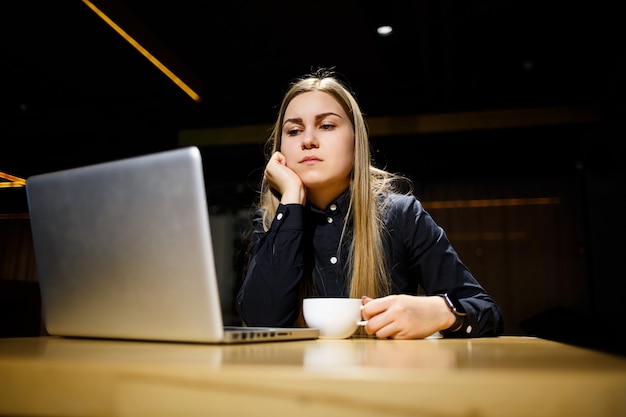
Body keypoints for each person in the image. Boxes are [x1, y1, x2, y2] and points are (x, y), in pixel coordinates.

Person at [236, 68, 504, 339]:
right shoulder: (273, 221)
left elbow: (487, 312)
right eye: (294, 130)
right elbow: (261, 321)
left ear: (356, 139)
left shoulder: (400, 215)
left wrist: (442, 312)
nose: (307, 141)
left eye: (327, 125)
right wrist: (291, 198)